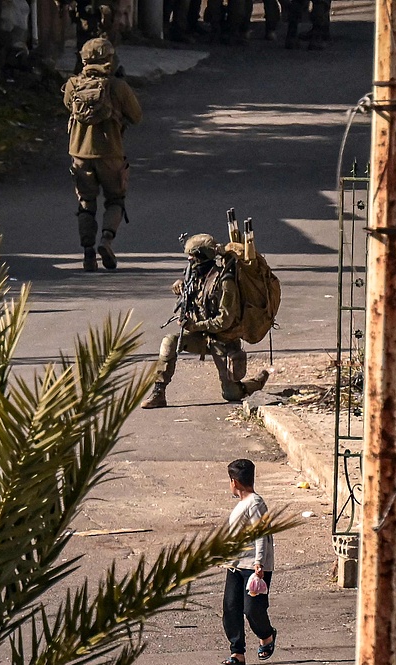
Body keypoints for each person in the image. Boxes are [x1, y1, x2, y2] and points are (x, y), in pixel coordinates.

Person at [141, 234, 269, 408]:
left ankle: (256, 383)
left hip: (223, 340)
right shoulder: (194, 277)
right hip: (200, 337)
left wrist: (195, 325)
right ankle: (158, 392)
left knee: (231, 394)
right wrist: (178, 287)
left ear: (202, 257)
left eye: (193, 256)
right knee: (169, 342)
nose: (189, 260)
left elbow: (224, 320)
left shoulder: (224, 283)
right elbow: (190, 295)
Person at [62, 37, 141, 272]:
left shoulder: (72, 85)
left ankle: (87, 253)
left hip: (79, 154)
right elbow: (136, 116)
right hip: (111, 154)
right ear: (109, 58)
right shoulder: (118, 87)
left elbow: (69, 107)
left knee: (86, 202)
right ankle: (106, 241)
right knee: (115, 200)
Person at [220, 458, 276, 665]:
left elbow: (260, 535)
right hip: (235, 565)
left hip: (254, 567)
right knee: (231, 608)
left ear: (234, 482)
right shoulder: (243, 504)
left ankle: (267, 635)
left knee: (253, 609)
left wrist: (259, 563)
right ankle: (237, 653)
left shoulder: (255, 503)